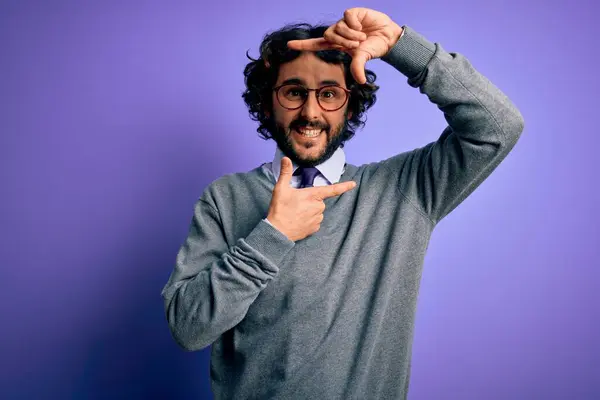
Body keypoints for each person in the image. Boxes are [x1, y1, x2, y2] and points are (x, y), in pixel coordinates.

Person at [161, 7, 524, 400]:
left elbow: (498, 127)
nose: (311, 112)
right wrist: (273, 234)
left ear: (351, 106)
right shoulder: (224, 198)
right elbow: (188, 327)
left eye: (330, 94)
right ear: (268, 104)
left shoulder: (406, 190)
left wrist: (403, 47)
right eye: (294, 92)